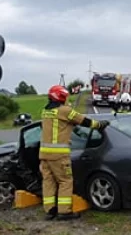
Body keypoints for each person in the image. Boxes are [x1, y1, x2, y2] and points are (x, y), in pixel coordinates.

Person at [40, 85, 109, 220]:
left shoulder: (45, 112)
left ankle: (50, 210)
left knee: (48, 181)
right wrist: (100, 125)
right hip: (58, 155)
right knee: (65, 181)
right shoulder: (65, 111)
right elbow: (84, 121)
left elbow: (61, 126)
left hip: (44, 154)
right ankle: (64, 212)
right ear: (61, 97)